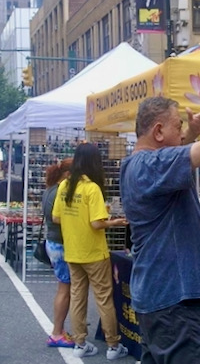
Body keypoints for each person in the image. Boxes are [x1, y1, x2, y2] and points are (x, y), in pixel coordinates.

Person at [119, 96, 200, 364]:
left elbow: (180, 149)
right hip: (174, 298)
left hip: (160, 296)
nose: (181, 133)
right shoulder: (151, 165)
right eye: (177, 126)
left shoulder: (138, 165)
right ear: (158, 131)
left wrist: (192, 132)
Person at [52, 143, 129, 360]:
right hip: (94, 252)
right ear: (95, 162)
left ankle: (79, 342)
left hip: (73, 251)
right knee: (104, 299)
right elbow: (97, 223)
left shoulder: (65, 185)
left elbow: (56, 217)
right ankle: (113, 345)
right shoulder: (92, 188)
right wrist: (114, 222)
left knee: (77, 297)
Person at [42, 158, 74, 348]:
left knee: (65, 288)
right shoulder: (61, 191)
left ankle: (59, 330)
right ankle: (57, 332)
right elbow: (61, 218)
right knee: (65, 290)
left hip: (52, 242)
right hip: (61, 244)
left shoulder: (49, 190)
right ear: (68, 174)